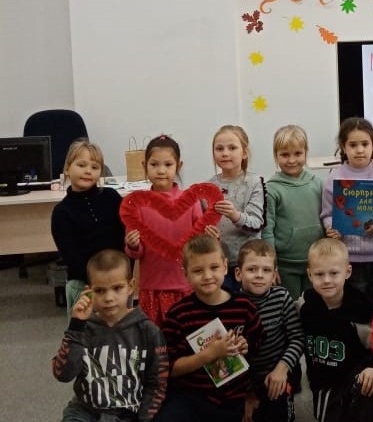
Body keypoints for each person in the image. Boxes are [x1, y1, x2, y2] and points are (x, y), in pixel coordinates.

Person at [31, 249, 168, 422]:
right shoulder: (83, 328)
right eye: (100, 291)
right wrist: (75, 327)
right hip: (85, 417)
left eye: (117, 288)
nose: (109, 298)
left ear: (131, 287)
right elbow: (62, 374)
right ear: (89, 291)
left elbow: (157, 386)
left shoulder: (148, 331)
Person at [147, 235, 263, 422]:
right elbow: (170, 369)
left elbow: (257, 346)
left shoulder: (244, 307)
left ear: (225, 266)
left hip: (227, 402)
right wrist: (209, 355)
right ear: (185, 273)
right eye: (198, 270)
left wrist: (246, 347)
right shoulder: (178, 314)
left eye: (213, 268)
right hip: (189, 397)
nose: (207, 276)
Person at [297, 238, 373, 422]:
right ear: (309, 274)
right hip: (325, 382)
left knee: (369, 383)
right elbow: (289, 335)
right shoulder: (304, 304)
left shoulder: (362, 308)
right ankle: (348, 418)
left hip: (357, 375)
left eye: (334, 273)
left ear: (347, 272)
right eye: (319, 274)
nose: (327, 280)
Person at [235, 239, 308, 422]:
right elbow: (230, 359)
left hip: (279, 371)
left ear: (275, 275)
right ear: (238, 273)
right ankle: (261, 411)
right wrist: (247, 393)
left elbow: (297, 338)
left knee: (281, 395)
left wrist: (281, 368)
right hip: (248, 379)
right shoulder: (232, 306)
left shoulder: (281, 297)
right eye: (252, 269)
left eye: (266, 270)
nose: (259, 275)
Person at [125, 135, 212, 325]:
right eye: (154, 164)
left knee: (186, 335)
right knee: (154, 337)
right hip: (152, 288)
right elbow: (136, 253)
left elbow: (199, 246)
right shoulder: (137, 204)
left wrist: (210, 237)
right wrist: (132, 245)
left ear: (178, 166)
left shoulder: (190, 201)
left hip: (185, 285)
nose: (161, 170)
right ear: (144, 165)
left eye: (168, 164)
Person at [320, 117, 373, 303]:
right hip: (349, 259)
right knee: (354, 308)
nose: (359, 150)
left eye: (365, 144)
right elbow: (327, 214)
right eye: (353, 145)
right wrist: (331, 227)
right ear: (343, 147)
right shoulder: (335, 178)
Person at [51, 140, 125, 314]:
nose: (88, 171)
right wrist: (98, 284)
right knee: (83, 329)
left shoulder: (111, 197)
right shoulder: (62, 212)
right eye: (81, 165)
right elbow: (71, 256)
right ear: (67, 169)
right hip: (83, 285)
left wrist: (122, 275)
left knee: (119, 329)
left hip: (117, 281)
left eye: (94, 167)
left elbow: (123, 238)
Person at [264, 124, 324, 300]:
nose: (291, 160)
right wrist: (271, 265)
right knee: (290, 307)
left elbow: (327, 217)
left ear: (306, 153)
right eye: (285, 155)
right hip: (285, 265)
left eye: (297, 153)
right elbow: (267, 230)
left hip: (316, 263)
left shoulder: (318, 183)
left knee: (314, 306)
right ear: (276, 156)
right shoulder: (271, 189)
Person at [208, 124, 265, 292]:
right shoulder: (208, 186)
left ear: (244, 152)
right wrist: (207, 232)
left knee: (247, 302)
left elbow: (256, 224)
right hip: (219, 263)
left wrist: (234, 215)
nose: (225, 153)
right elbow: (203, 222)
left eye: (232, 148)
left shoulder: (254, 183)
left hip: (249, 262)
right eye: (219, 148)